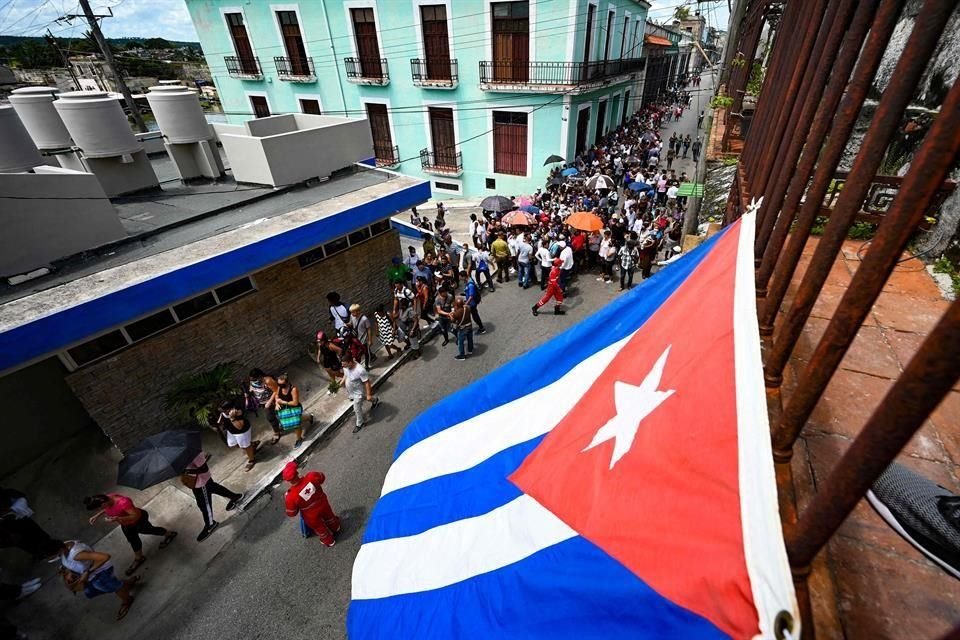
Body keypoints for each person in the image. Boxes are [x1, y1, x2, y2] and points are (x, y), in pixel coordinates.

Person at [85, 494, 177, 576]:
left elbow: (135, 515)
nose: (101, 509)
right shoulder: (105, 499)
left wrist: (117, 518)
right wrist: (96, 516)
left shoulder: (123, 502)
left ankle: (169, 534)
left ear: (103, 502)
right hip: (126, 524)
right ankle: (139, 558)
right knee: (133, 540)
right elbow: (106, 509)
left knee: (151, 530)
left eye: (100, 508)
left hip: (139, 521)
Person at [49, 539, 137, 621]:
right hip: (91, 574)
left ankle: (127, 600)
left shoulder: (77, 555)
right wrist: (67, 572)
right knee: (89, 592)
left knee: (104, 585)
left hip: (101, 570)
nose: (53, 558)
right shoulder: (65, 545)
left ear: (60, 550)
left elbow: (105, 557)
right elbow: (71, 562)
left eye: (54, 556)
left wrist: (88, 572)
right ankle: (125, 584)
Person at [182, 450, 243, 542]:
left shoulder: (193, 453)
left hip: (201, 483)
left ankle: (210, 525)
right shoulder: (183, 452)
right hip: (199, 481)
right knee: (214, 488)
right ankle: (235, 497)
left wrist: (188, 471)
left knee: (204, 505)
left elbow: (204, 468)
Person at [282, 461, 341, 547]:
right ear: (297, 472)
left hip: (311, 515)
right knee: (329, 516)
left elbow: (292, 513)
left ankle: (329, 541)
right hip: (323, 503)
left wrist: (287, 498)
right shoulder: (311, 476)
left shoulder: (290, 496)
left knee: (319, 527)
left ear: (288, 481)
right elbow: (322, 477)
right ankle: (336, 527)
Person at [0, 488, 56, 560]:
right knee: (20, 541)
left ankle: (50, 546)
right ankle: (37, 552)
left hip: (15, 516)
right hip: (6, 527)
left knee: (33, 531)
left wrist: (11, 510)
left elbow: (18, 495)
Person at [341, 351, 380, 434]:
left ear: (350, 362)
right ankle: (375, 400)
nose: (342, 366)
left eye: (344, 364)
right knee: (365, 398)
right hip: (351, 392)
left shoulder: (360, 370)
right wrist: (340, 384)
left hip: (358, 392)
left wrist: (369, 394)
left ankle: (360, 423)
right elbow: (345, 375)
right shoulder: (346, 367)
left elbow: (366, 382)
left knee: (356, 408)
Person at [272, 374, 312, 448]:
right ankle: (309, 417)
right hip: (285, 408)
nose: (280, 386)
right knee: (297, 420)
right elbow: (277, 396)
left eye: (282, 384)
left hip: (294, 407)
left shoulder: (293, 389)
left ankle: (299, 439)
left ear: (287, 382)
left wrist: (283, 402)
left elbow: (295, 402)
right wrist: (277, 404)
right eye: (279, 384)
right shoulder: (279, 387)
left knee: (296, 425)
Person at [244, 369, 281, 442]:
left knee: (271, 417)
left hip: (272, 402)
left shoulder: (268, 381)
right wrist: (249, 392)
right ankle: (277, 429)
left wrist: (269, 402)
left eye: (254, 379)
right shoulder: (252, 382)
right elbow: (252, 387)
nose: (253, 381)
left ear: (260, 376)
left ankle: (277, 433)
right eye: (251, 379)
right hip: (262, 403)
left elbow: (276, 391)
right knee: (272, 417)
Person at [220, 405, 260, 470]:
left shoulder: (238, 412)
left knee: (245, 446)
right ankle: (252, 446)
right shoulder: (222, 413)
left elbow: (239, 427)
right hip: (231, 431)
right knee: (234, 443)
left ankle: (252, 460)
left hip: (242, 431)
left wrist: (232, 418)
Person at [349, 303, 375, 367]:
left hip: (364, 339)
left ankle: (367, 365)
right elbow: (351, 323)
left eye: (353, 312)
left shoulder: (364, 319)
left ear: (358, 311)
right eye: (351, 312)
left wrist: (370, 340)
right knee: (357, 352)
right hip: (356, 339)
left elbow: (369, 329)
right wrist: (348, 324)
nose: (351, 314)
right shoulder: (352, 316)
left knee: (367, 353)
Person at [449, 296, 474, 361]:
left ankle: (462, 355)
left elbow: (453, 321)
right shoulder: (467, 308)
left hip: (463, 328)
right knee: (470, 338)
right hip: (469, 325)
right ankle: (470, 350)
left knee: (460, 342)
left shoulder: (457, 313)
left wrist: (451, 315)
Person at [460, 270, 486, 334]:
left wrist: (466, 304)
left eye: (460, 277)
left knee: (475, 316)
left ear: (464, 277)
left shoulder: (470, 284)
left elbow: (471, 296)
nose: (460, 278)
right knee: (472, 315)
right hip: (470, 302)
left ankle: (481, 328)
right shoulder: (467, 281)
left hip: (472, 303)